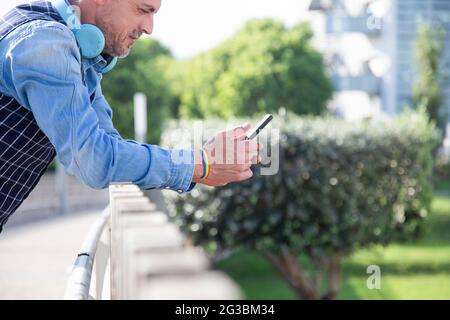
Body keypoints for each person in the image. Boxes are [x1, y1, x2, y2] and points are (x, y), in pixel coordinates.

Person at [0, 0, 261, 232]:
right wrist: (200, 164)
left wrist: (201, 161)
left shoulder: (80, 57)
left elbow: (112, 147)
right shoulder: (45, 43)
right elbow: (94, 160)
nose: (149, 28)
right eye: (142, 10)